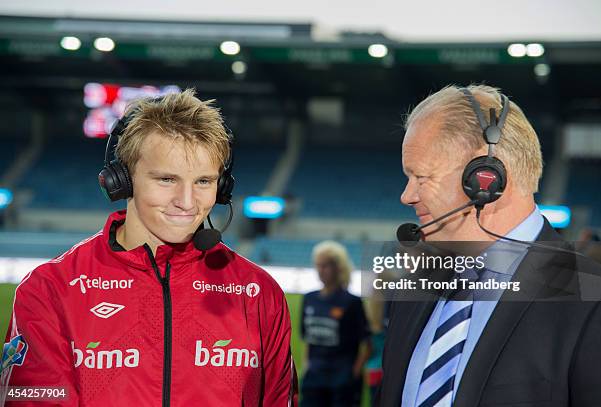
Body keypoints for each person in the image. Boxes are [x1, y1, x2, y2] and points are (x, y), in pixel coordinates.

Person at [1, 90, 298, 406]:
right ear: (122, 179)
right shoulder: (50, 290)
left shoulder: (258, 292)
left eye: (203, 182)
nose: (186, 202)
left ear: (222, 187)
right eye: (167, 179)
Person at [376, 84, 601, 406]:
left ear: (486, 177)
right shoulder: (414, 290)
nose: (407, 196)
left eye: (421, 177)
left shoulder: (598, 303)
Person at [300, 241, 371, 407]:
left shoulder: (351, 302)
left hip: (342, 379)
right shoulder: (309, 298)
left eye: (326, 265)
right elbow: (307, 340)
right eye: (318, 265)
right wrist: (306, 366)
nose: (321, 270)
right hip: (314, 378)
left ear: (338, 267)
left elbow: (367, 343)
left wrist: (353, 372)